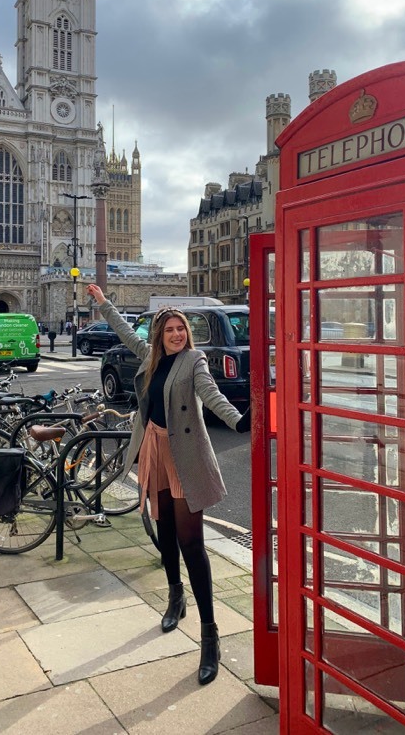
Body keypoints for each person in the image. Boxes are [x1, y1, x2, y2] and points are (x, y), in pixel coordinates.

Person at [86, 283, 251, 686]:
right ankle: (175, 595)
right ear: (159, 335)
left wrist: (241, 421)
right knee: (165, 530)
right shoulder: (151, 357)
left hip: (185, 455)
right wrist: (105, 303)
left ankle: (209, 636)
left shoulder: (194, 360)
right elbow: (126, 332)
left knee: (192, 542)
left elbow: (211, 396)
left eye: (182, 328)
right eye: (170, 329)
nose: (177, 334)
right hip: (154, 450)